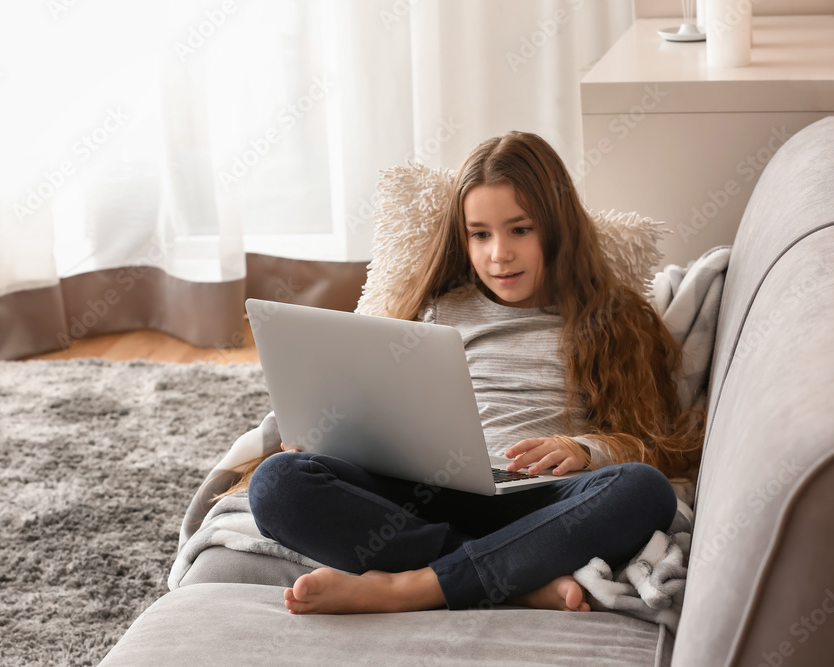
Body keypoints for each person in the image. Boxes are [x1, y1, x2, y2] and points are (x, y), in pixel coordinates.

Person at [237, 131, 705, 615]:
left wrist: (584, 450)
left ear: (557, 227)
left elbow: (652, 442)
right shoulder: (439, 310)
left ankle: (410, 588)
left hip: (538, 501)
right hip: (434, 494)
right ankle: (516, 583)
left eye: (519, 230)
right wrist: (333, 440)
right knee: (277, 483)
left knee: (643, 491)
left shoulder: (614, 318)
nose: (498, 253)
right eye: (480, 234)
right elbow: (386, 411)